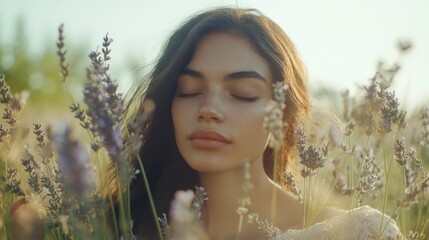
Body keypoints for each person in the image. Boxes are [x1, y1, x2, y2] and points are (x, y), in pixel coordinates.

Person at [121, 7, 404, 240]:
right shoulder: (129, 224)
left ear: (284, 117)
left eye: (243, 94)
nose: (208, 109)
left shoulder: (355, 233)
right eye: (190, 90)